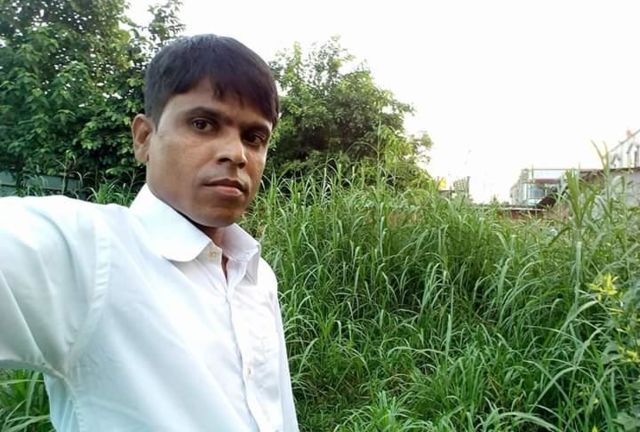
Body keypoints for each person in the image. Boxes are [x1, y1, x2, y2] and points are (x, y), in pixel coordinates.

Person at [0, 34, 298, 431]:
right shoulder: (91, 252)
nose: (236, 153)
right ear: (144, 138)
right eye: (203, 124)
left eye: (254, 137)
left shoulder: (256, 275)